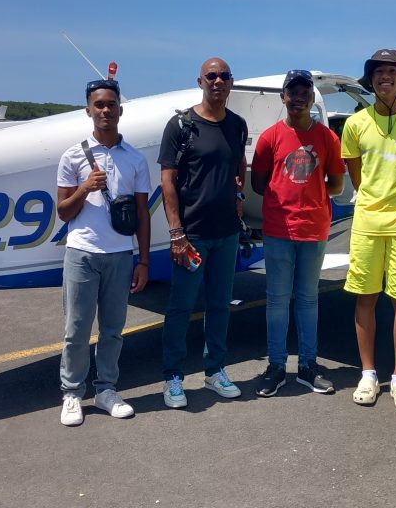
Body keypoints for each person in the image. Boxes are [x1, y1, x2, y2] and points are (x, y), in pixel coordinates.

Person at [56, 78, 151, 426]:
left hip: (120, 255)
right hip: (82, 253)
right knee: (77, 329)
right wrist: (84, 188)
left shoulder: (135, 159)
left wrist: (142, 260)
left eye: (111, 104)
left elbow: (142, 213)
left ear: (120, 110)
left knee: (113, 329)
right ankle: (72, 393)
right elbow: (63, 212)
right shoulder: (72, 156)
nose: (105, 110)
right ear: (88, 111)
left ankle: (106, 389)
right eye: (99, 105)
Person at [157, 57, 248, 409]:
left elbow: (238, 163)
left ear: (231, 82)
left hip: (226, 234)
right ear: (200, 82)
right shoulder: (181, 126)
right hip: (192, 235)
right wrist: (176, 232)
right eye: (211, 76)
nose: (218, 81)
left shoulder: (237, 125)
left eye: (224, 76)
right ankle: (173, 376)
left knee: (220, 305)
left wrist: (238, 195)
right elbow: (168, 181)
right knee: (181, 307)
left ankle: (215, 370)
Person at [340, 49, 396, 411]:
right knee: (366, 298)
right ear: (371, 79)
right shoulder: (355, 123)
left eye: (392, 71)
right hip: (367, 223)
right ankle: (368, 373)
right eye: (378, 72)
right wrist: (375, 201)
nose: (385, 77)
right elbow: (357, 174)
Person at [250, 69, 346, 397]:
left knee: (308, 299)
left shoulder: (328, 138)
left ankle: (308, 365)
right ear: (283, 97)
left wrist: (310, 196)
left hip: (313, 230)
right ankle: (276, 365)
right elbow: (259, 183)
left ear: (311, 98)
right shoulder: (269, 138)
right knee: (277, 300)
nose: (298, 98)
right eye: (292, 92)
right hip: (278, 230)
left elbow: (337, 184)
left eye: (305, 92)